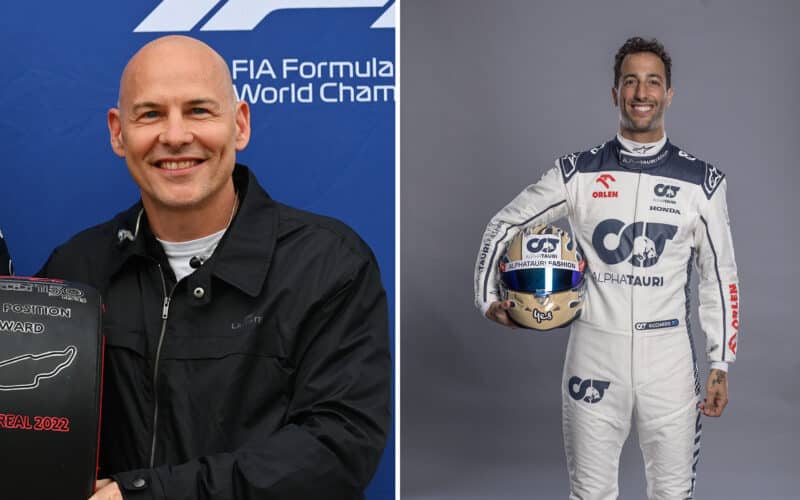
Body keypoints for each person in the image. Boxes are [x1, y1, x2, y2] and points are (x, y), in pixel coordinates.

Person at [38, 35, 391, 500]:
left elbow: (338, 449)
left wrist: (147, 494)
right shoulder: (76, 271)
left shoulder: (329, 265)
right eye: (150, 114)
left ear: (240, 124)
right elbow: (36, 428)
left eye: (199, 110)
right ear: (118, 132)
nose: (176, 135)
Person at [474, 37, 739, 499]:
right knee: (590, 494)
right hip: (593, 354)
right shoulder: (577, 173)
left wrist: (721, 360)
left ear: (669, 94)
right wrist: (487, 297)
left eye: (652, 82)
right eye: (630, 81)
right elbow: (505, 223)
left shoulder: (702, 182)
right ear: (614, 93)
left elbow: (721, 275)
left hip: (669, 360)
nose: (641, 93)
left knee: (673, 493)